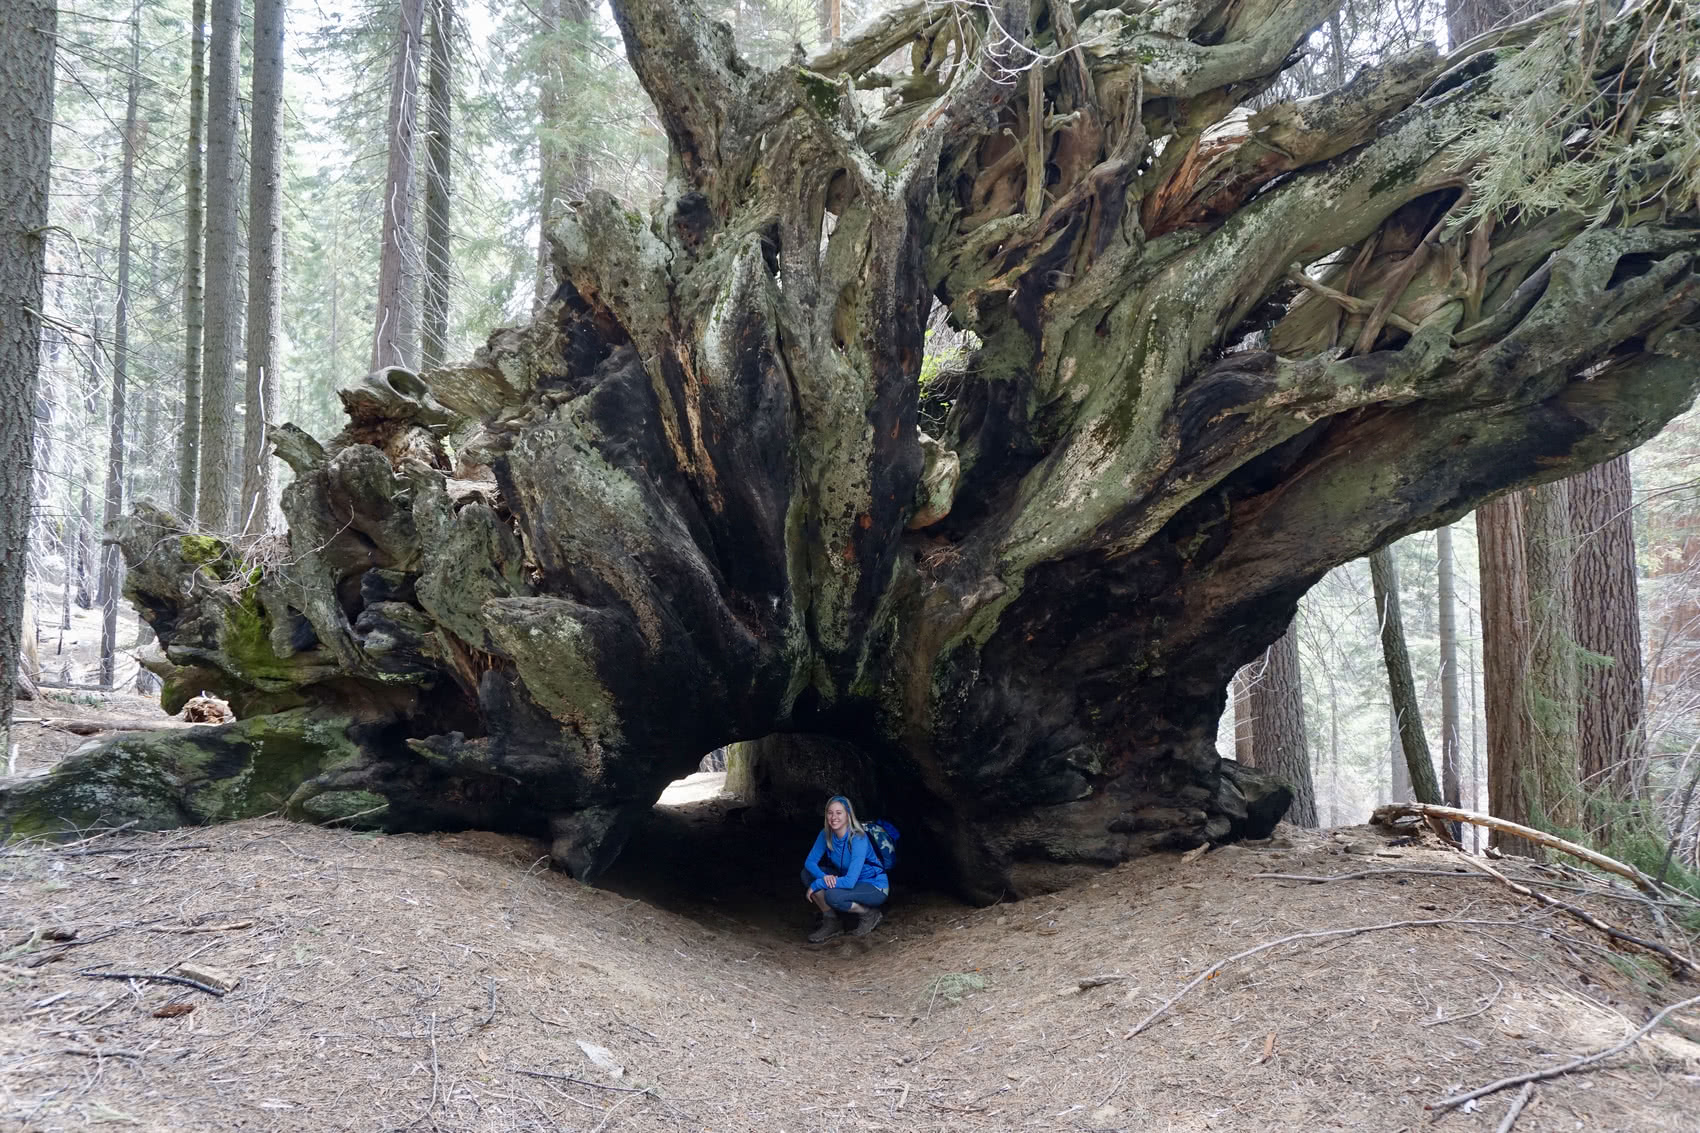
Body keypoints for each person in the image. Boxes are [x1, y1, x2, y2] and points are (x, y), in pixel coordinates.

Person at [800, 795, 889, 941]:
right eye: (830, 812)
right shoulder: (825, 834)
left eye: (839, 813)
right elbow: (810, 863)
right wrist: (824, 877)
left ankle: (869, 914)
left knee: (832, 896)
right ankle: (832, 921)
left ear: (848, 815)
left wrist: (819, 883)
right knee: (807, 874)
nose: (834, 817)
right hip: (847, 877)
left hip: (873, 885)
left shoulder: (858, 838)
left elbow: (849, 882)